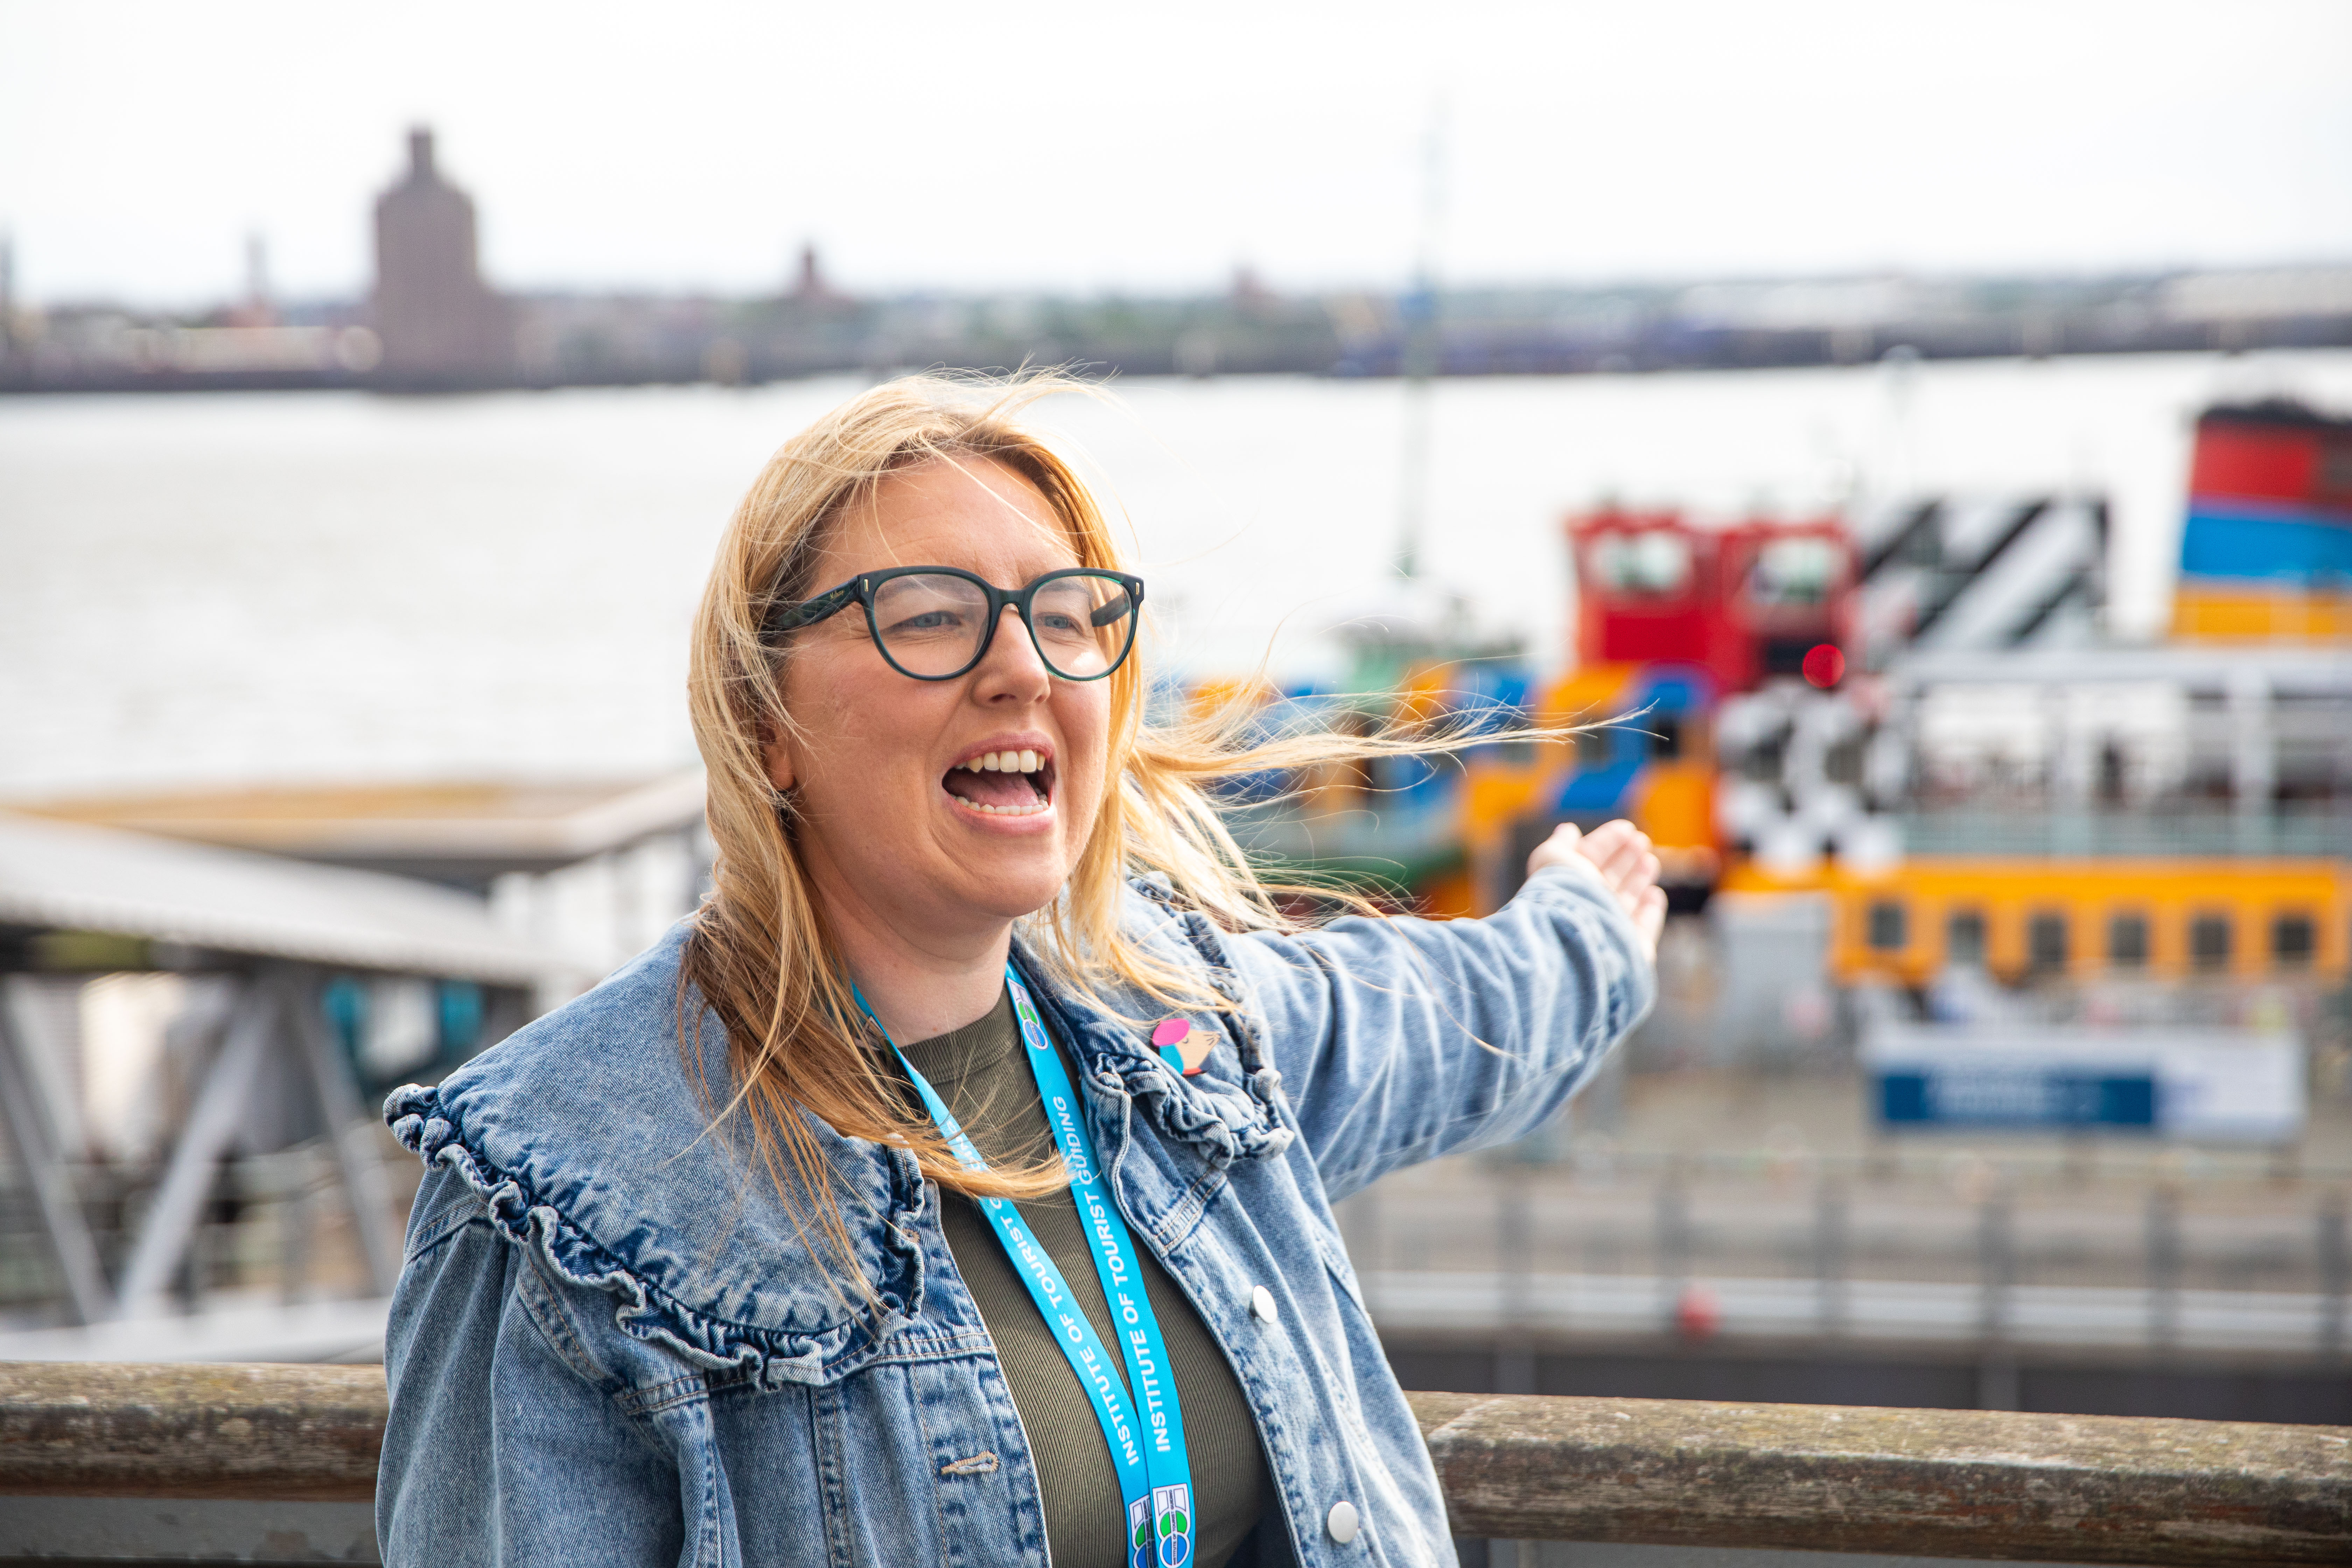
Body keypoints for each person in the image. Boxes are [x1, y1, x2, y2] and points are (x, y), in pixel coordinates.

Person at [376, 374, 1662, 1568]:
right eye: (933, 618)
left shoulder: (1174, 1028)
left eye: (1067, 615)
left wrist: (1585, 936)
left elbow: (1433, 1024)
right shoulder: (560, 1198)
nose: (1025, 669)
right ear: (767, 726)